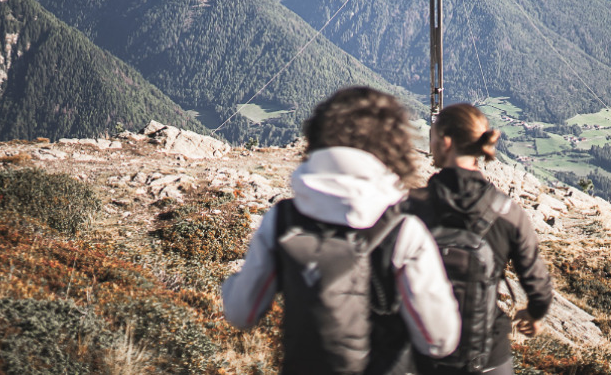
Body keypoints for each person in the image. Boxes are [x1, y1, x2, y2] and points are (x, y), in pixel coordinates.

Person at [222, 86, 460, 375]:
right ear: (393, 146)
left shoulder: (282, 220)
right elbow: (439, 340)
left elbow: (241, 313)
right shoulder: (404, 232)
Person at [406, 103, 554, 375]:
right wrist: (532, 315)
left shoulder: (409, 208)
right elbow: (540, 288)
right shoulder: (507, 213)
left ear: (445, 142)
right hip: (487, 357)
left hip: (419, 357)